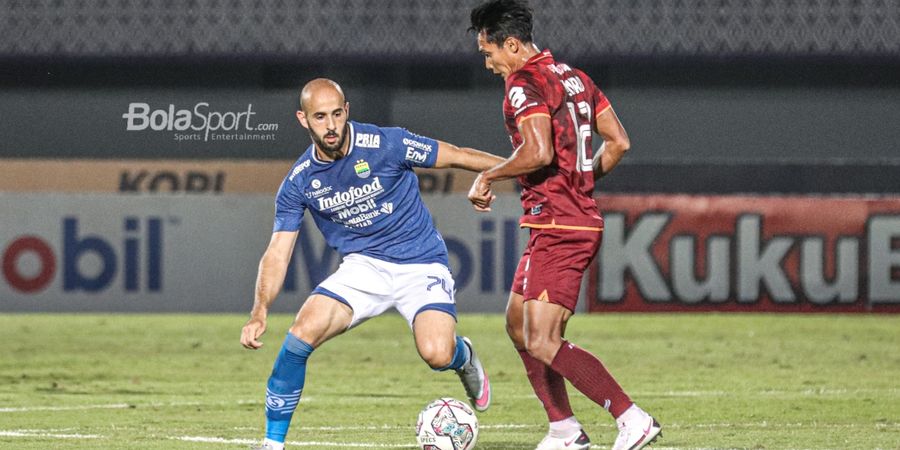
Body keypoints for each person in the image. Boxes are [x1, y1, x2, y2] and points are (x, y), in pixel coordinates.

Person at [240, 78, 501, 450]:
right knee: (299, 336)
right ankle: (272, 443)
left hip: (421, 262)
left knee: (436, 354)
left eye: (336, 114)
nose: (330, 125)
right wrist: (259, 310)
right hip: (363, 269)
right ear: (303, 119)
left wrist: (513, 169)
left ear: (347, 110)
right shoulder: (299, 182)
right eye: (319, 117)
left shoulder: (386, 143)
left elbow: (456, 154)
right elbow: (278, 251)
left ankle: (465, 356)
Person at [466, 2, 662, 450]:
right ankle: (564, 429)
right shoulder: (575, 77)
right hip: (559, 220)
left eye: (489, 52)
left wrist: (489, 175)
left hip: (560, 225)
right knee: (518, 326)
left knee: (541, 337)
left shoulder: (524, 82)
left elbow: (538, 152)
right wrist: (582, 180)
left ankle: (632, 418)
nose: (488, 63)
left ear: (511, 45)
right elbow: (619, 142)